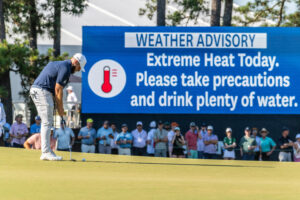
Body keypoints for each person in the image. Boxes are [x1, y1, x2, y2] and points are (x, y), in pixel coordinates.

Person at [30, 53, 86, 160]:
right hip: (42, 91)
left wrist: (57, 104)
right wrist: (61, 109)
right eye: (79, 67)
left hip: (40, 91)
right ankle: (46, 152)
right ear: (76, 62)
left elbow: (55, 89)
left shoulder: (62, 65)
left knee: (47, 121)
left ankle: (47, 151)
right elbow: (58, 89)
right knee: (47, 122)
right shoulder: (66, 68)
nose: (79, 70)